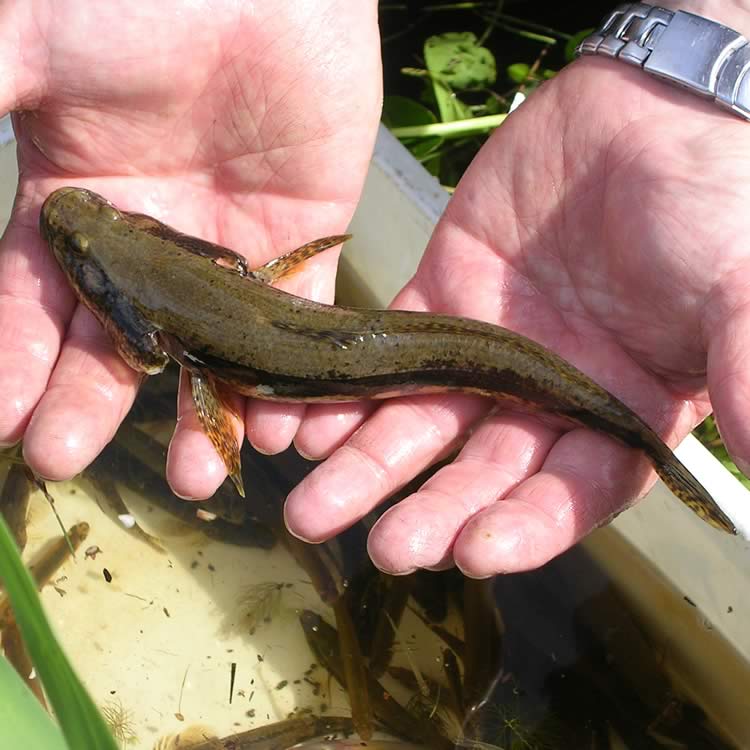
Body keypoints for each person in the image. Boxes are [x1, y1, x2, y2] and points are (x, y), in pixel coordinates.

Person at [0, 0, 747, 579]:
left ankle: (649, 447)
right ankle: (648, 448)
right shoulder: (223, 280)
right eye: (75, 243)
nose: (70, 221)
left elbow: (152, 359)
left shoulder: (166, 340)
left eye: (87, 231)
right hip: (363, 338)